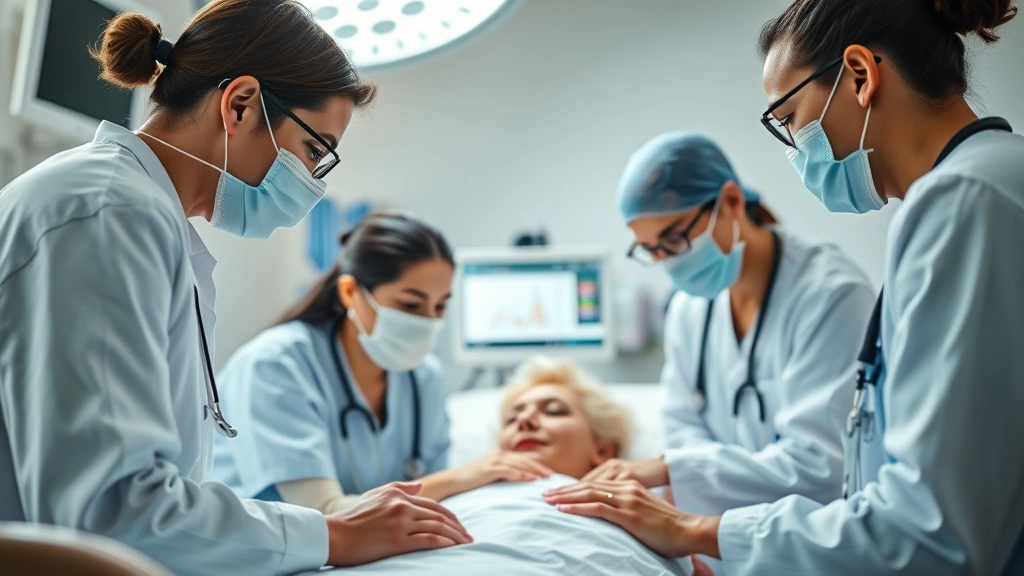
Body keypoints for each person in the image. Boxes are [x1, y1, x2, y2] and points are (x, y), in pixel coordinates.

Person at [544, 1, 1024, 574]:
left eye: (791, 117)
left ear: (860, 75)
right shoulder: (974, 191)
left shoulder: (965, 203)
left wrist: (691, 530)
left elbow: (933, 530)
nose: (798, 151)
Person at [0, 2, 470, 575]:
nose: (312, 184)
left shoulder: (150, 222)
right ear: (241, 104)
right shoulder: (106, 212)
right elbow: (109, 512)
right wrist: (332, 535)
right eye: (314, 152)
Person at [577, 132, 873, 562]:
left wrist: (670, 467)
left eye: (674, 240)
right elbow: (681, 427)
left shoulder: (831, 295)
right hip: (715, 551)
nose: (666, 261)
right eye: (649, 250)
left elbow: (820, 467)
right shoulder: (687, 311)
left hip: (809, 550)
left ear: (731, 203)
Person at [213, 211, 564, 510]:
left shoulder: (423, 377)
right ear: (351, 293)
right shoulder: (275, 366)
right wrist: (469, 475)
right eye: (410, 305)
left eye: (440, 306)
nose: (428, 321)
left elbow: (431, 499)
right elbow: (326, 514)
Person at [303, 356, 704, 575]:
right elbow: (352, 521)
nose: (526, 421)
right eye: (514, 417)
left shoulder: (633, 504)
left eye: (553, 410)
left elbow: (693, 552)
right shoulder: (462, 489)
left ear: (603, 448)